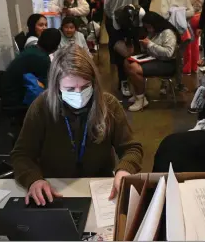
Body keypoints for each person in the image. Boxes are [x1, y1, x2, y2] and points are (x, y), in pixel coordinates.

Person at [11, 45, 144, 205]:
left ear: (94, 83)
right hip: (54, 187)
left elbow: (131, 148)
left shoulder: (109, 104)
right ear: (57, 87)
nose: (79, 94)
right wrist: (33, 180)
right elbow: (21, 154)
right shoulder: (42, 107)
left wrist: (124, 170)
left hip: (100, 187)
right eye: (70, 88)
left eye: (85, 87)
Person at [124, 12, 180, 112]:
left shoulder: (168, 33)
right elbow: (150, 48)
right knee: (126, 62)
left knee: (134, 69)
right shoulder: (154, 32)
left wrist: (149, 44)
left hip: (167, 64)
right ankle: (138, 93)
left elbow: (168, 53)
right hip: (154, 59)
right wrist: (144, 45)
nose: (148, 30)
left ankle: (141, 99)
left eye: (149, 27)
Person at [1, 29, 61, 108]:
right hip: (17, 102)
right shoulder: (41, 58)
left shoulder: (33, 49)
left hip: (8, 96)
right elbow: (50, 86)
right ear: (55, 48)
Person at [104, 0, 139, 97]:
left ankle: (123, 81)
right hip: (129, 25)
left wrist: (114, 17)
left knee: (119, 53)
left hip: (115, 25)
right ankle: (132, 79)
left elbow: (106, 8)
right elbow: (136, 5)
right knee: (131, 52)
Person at [179, 0, 205, 74]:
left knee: (187, 44)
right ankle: (194, 67)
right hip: (200, 16)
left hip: (189, 17)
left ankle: (187, 68)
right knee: (195, 44)